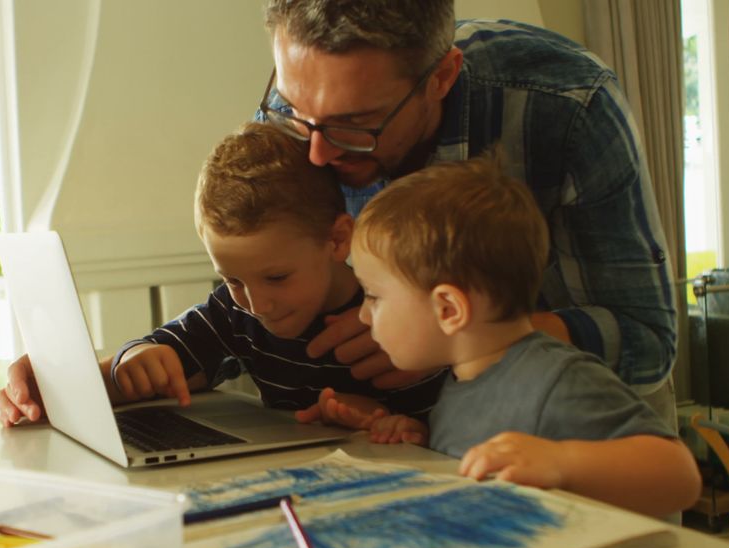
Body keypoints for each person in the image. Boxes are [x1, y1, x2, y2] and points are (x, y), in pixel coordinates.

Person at [258, 0, 679, 428]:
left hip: (589, 430)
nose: (315, 153)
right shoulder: (302, 105)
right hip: (422, 430)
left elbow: (646, 342)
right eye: (292, 108)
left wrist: (450, 340)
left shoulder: (567, 103)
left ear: (441, 77)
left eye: (354, 123)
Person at [0, 122, 444, 427]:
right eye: (232, 279)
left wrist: (385, 422)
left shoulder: (392, 313)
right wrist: (125, 365)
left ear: (336, 241)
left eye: (277, 278)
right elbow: (165, 350)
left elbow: (438, 432)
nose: (256, 303)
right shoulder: (236, 312)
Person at [342, 154, 700, 518]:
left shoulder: (556, 379)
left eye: (373, 295)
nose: (362, 314)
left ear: (448, 309)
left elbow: (680, 475)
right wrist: (425, 440)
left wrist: (562, 461)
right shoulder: (462, 381)